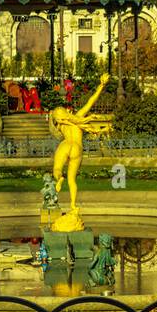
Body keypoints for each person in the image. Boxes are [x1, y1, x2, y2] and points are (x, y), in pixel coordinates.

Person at [48, 72, 110, 212]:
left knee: (57, 169)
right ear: (66, 111)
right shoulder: (78, 118)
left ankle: (58, 179)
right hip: (76, 147)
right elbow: (91, 101)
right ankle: (73, 205)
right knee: (72, 180)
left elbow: (53, 125)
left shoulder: (61, 125)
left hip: (65, 145)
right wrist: (101, 85)